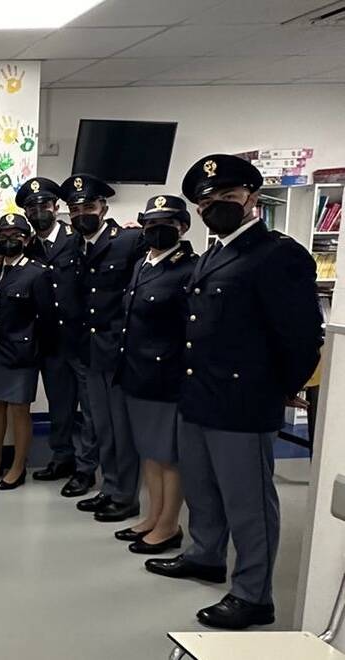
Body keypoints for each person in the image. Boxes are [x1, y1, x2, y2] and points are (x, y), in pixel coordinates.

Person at [146, 154, 322, 630]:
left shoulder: (277, 254)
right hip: (199, 394)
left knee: (248, 503)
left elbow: (304, 338)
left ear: (251, 198)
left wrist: (279, 389)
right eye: (207, 200)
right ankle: (205, 555)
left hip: (243, 402)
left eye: (227, 197)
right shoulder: (215, 253)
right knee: (202, 490)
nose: (215, 206)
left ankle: (253, 594)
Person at [60, 174, 146, 523]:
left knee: (121, 429)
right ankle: (109, 487)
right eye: (75, 209)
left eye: (89, 207)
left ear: (104, 207)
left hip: (117, 350)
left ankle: (126, 496)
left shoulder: (128, 241)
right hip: (88, 350)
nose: (82, 214)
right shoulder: (72, 246)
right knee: (101, 426)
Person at [114, 195, 198, 554]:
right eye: (150, 224)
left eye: (166, 224)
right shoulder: (143, 265)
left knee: (169, 455)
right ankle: (152, 516)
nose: (156, 230)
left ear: (183, 227)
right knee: (149, 450)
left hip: (168, 374)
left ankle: (168, 526)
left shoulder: (188, 269)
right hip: (138, 372)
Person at [20, 177, 93, 495]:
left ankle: (87, 467)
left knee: (90, 409)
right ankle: (62, 457)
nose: (38, 212)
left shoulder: (77, 238)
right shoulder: (28, 247)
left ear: (56, 207)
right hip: (50, 341)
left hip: (81, 340)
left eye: (44, 206)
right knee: (60, 405)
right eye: (32, 208)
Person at [0, 213, 54, 490]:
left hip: (21, 353)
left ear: (28, 239)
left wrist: (36, 349)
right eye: (3, 235)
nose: (9, 240)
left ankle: (18, 466)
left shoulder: (37, 272)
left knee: (19, 411)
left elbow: (45, 318)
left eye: (16, 235)